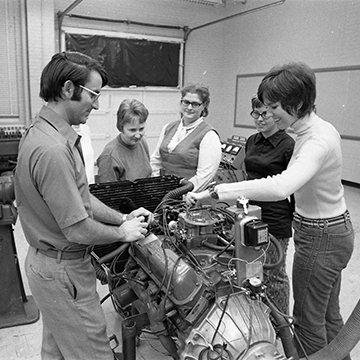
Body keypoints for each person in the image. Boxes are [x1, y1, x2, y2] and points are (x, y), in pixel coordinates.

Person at [187, 62, 354, 359]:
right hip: (326, 230)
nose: (269, 114)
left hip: (321, 236)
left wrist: (218, 193)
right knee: (328, 314)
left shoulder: (317, 139)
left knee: (307, 321)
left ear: (298, 103)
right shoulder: (310, 131)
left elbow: (281, 187)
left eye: (274, 106)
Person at [14, 51, 152, 360]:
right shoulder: (52, 150)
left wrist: (123, 218)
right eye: (94, 94)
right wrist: (123, 233)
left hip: (48, 267)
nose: (98, 104)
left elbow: (83, 199)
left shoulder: (45, 133)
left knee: (56, 351)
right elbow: (76, 227)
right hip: (63, 272)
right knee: (93, 353)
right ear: (67, 89)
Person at [245, 96, 295, 314]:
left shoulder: (288, 145)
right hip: (250, 214)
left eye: (265, 113)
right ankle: (260, 318)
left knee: (274, 274)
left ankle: (281, 323)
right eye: (256, 113)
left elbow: (293, 188)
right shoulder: (251, 141)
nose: (260, 118)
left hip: (275, 218)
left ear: (276, 115)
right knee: (251, 270)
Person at [150, 83, 222, 192]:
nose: (189, 107)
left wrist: (178, 194)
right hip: (161, 192)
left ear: (204, 106)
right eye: (186, 102)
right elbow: (155, 161)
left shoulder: (209, 136)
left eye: (195, 104)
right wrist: (156, 186)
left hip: (188, 197)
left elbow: (204, 177)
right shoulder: (168, 128)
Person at [96, 98, 152, 182]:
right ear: (121, 127)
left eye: (141, 129)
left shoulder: (142, 142)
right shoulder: (109, 156)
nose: (137, 135)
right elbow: (107, 192)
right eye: (132, 130)